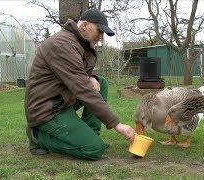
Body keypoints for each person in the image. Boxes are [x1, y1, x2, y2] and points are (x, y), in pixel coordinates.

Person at [24, 9, 135, 160]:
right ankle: (37, 136)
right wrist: (117, 125)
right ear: (84, 25)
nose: (101, 37)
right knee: (94, 149)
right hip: (46, 109)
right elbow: (82, 90)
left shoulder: (78, 43)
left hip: (61, 99)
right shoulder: (61, 45)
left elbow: (76, 74)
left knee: (100, 82)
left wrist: (91, 77)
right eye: (99, 31)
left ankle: (90, 133)